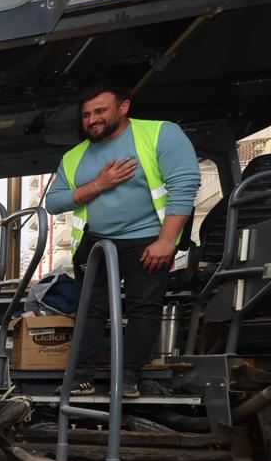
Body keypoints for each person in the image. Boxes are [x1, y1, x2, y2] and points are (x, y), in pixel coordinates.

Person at [47, 82, 200, 399]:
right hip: (96, 242)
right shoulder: (75, 157)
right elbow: (54, 202)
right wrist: (98, 185)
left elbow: (185, 184)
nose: (92, 119)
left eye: (100, 111)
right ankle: (81, 377)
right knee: (89, 308)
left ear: (124, 107)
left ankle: (128, 375)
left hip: (147, 238)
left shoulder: (160, 134)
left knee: (144, 307)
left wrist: (167, 240)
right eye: (87, 114)